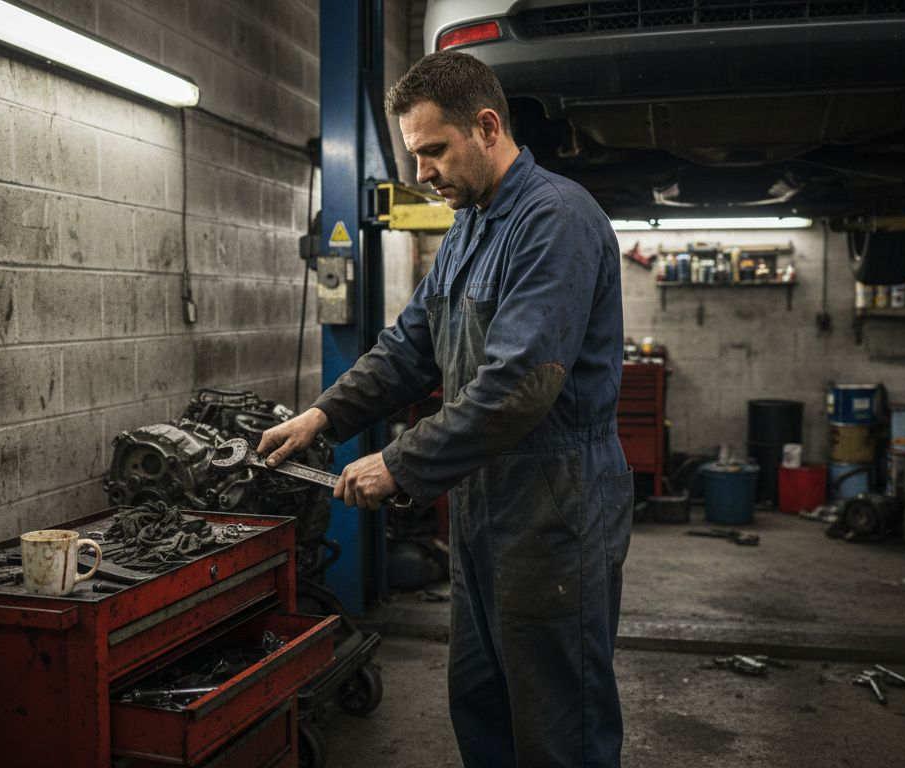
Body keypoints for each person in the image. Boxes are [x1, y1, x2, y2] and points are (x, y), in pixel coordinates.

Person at [257, 50, 632, 767]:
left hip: (556, 506)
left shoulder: (553, 221)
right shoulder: (470, 226)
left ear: (487, 126)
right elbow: (409, 346)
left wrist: (399, 463)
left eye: (433, 150)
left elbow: (520, 384)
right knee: (481, 701)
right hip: (484, 499)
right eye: (415, 153)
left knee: (559, 722)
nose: (421, 173)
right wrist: (324, 418)